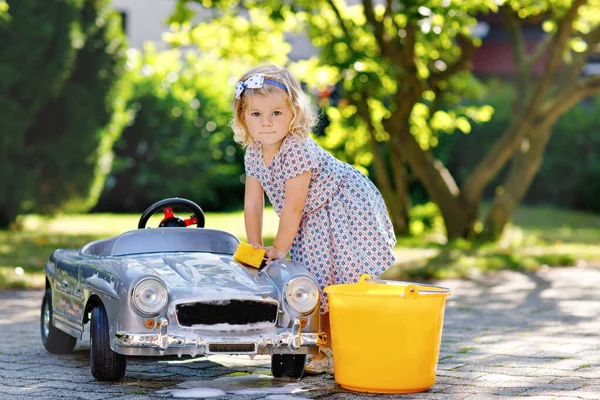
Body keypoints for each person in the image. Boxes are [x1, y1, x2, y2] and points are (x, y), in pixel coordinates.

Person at [231, 64, 396, 374]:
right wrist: (254, 245)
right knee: (310, 279)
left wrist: (279, 248)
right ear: (243, 117)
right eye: (256, 115)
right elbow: (253, 203)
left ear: (294, 112)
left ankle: (328, 348)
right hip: (311, 214)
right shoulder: (253, 152)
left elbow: (293, 207)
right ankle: (319, 345)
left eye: (276, 114)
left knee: (330, 279)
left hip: (340, 204)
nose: (266, 123)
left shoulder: (296, 149)